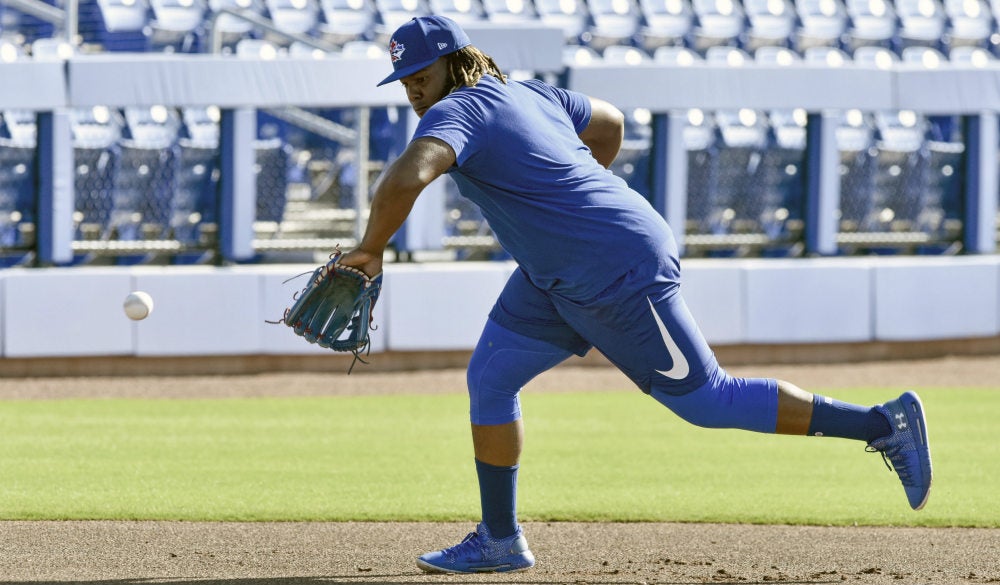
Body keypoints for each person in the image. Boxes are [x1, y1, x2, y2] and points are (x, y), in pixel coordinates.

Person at [336, 15, 933, 574]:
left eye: (422, 75)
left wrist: (370, 248)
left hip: (615, 266)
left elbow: (409, 171)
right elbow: (609, 123)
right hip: (559, 272)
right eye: (405, 81)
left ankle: (883, 424)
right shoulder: (530, 94)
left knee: (707, 399)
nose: (414, 90)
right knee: (490, 378)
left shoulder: (456, 110)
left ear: (455, 62)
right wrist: (574, 193)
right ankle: (499, 539)